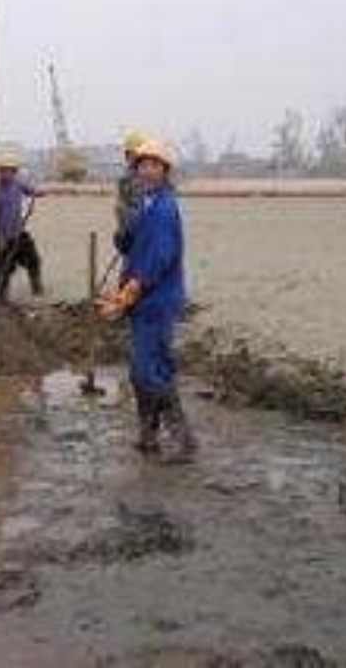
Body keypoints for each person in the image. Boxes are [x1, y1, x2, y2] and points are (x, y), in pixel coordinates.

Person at [97, 139, 196, 462]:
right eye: (142, 165)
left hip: (156, 299)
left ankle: (183, 440)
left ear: (165, 171)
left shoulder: (164, 208)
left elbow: (160, 257)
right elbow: (132, 246)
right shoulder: (146, 204)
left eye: (155, 165)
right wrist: (123, 231)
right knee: (152, 369)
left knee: (146, 372)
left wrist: (130, 292)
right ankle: (148, 434)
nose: (148, 170)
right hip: (143, 299)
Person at [0, 154, 44, 299]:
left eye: (9, 170)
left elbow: (33, 191)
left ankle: (37, 289)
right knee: (4, 268)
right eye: (3, 170)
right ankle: (2, 296)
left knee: (34, 260)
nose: (6, 173)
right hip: (3, 237)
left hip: (19, 233)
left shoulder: (18, 184)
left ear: (14, 172)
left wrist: (37, 193)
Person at [114, 129, 148, 264]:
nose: (132, 158)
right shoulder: (125, 179)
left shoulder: (149, 178)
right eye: (129, 154)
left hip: (145, 237)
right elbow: (121, 208)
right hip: (130, 238)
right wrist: (122, 233)